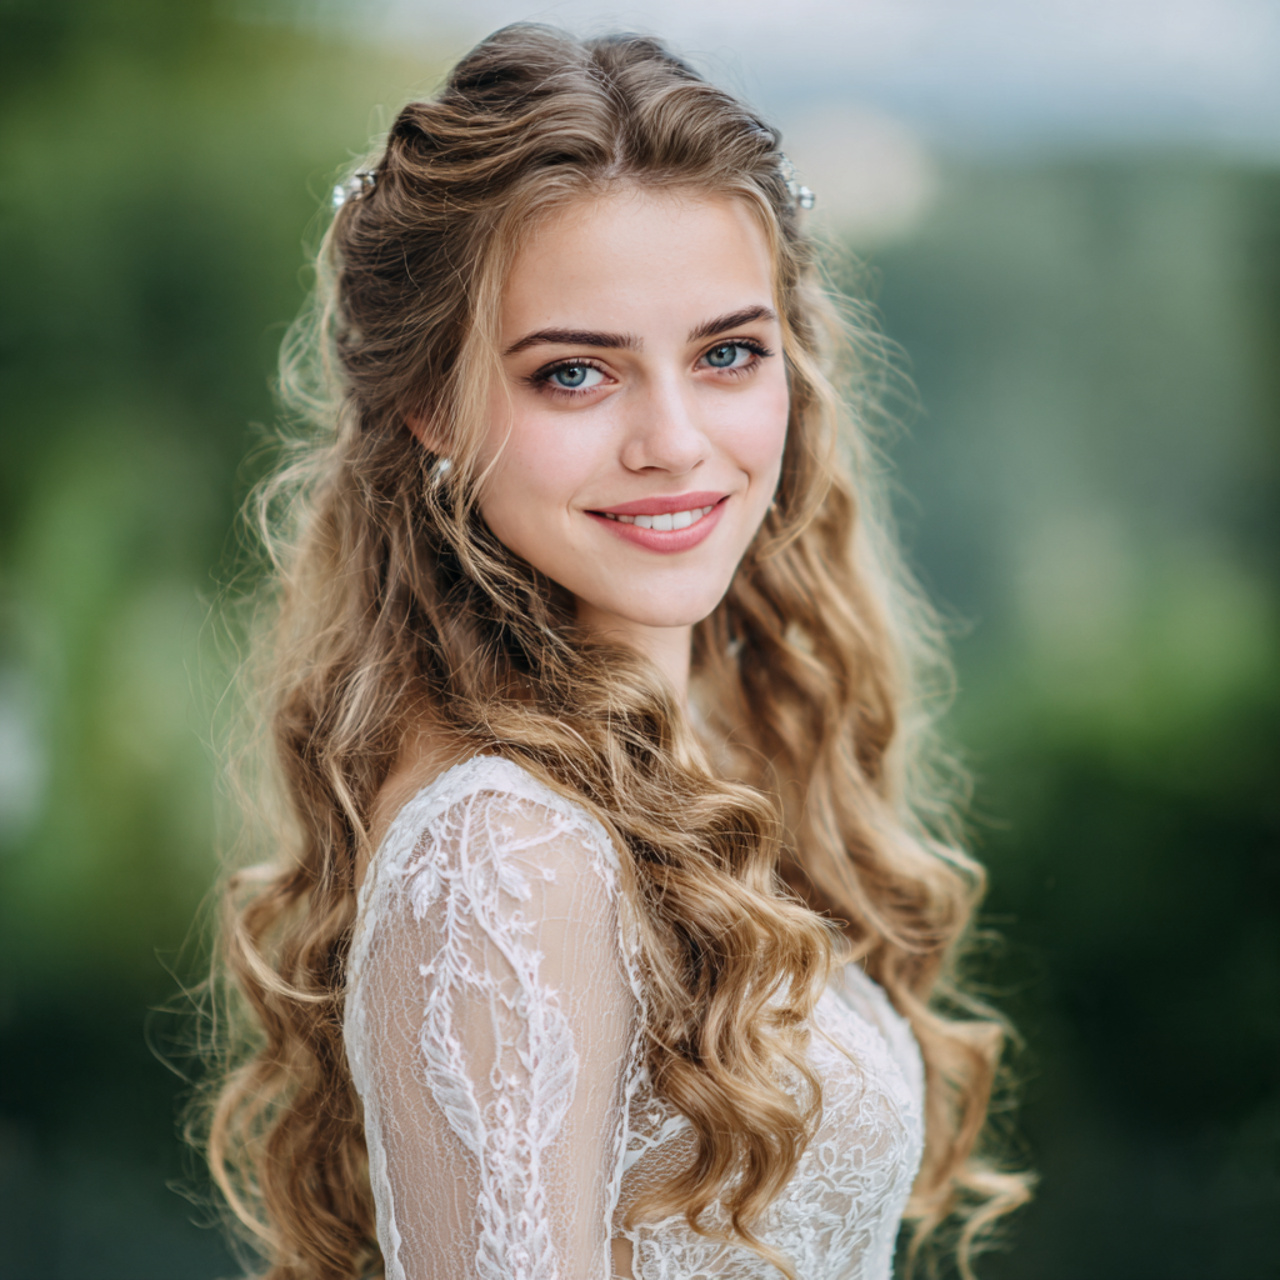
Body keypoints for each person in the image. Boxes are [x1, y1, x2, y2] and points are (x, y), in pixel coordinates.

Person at [199, 23, 1032, 1280]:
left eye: (726, 353)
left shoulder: (706, 749)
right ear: (428, 400)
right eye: (575, 373)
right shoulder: (504, 849)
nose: (675, 440)